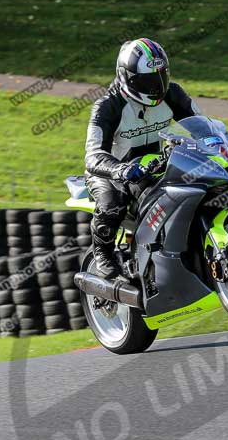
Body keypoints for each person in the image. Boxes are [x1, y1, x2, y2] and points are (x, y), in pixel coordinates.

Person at [85, 38, 202, 278]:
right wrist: (120, 170)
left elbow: (201, 125)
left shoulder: (173, 94)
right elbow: (93, 155)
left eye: (161, 76)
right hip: (111, 171)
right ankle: (102, 254)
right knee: (112, 204)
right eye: (149, 80)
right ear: (127, 77)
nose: (156, 86)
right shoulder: (108, 106)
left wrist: (216, 141)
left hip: (153, 163)